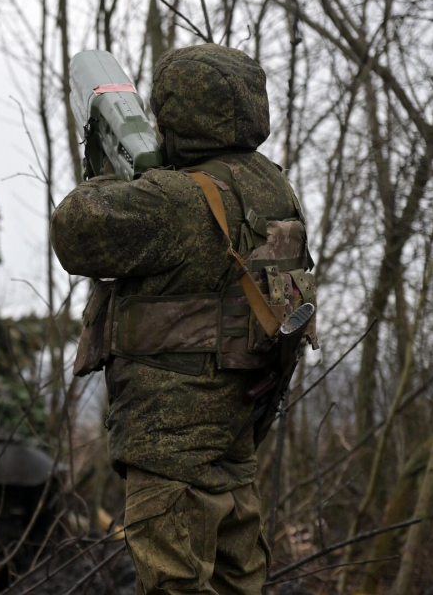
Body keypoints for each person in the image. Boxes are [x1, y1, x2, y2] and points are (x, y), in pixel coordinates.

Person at [50, 43, 318, 594]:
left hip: (170, 446)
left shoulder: (176, 200)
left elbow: (74, 230)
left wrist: (108, 172)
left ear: (178, 111)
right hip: (235, 435)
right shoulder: (275, 189)